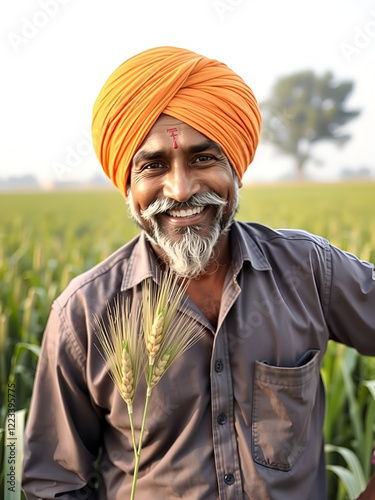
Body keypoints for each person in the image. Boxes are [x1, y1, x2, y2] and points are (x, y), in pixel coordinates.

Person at [22, 46, 375, 500]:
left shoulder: (309, 269)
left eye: (203, 159)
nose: (181, 189)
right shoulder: (83, 314)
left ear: (237, 169)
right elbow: (49, 481)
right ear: (126, 187)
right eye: (153, 165)